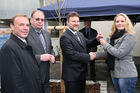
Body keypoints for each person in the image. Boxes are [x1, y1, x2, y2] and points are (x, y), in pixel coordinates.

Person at [60, 11, 102, 93]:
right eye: (73, 21)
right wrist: (88, 57)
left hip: (81, 74)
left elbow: (88, 43)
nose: (76, 23)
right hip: (71, 77)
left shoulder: (79, 34)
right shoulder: (65, 37)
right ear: (68, 22)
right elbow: (72, 55)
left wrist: (97, 39)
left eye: (77, 21)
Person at [95, 13, 138, 93]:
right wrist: (93, 54)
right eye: (117, 21)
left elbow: (119, 53)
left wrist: (105, 44)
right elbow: (108, 52)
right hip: (115, 73)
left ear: (127, 23)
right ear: (115, 23)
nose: (120, 23)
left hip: (126, 74)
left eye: (122, 21)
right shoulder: (113, 37)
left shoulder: (129, 36)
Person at [0, 14, 42, 93]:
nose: (25, 28)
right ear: (12, 26)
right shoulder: (9, 48)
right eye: (21, 25)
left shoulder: (24, 44)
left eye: (27, 25)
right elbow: (13, 83)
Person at [27, 10, 55, 93]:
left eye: (42, 20)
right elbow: (22, 55)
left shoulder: (46, 34)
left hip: (46, 76)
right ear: (31, 20)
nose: (40, 21)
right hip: (32, 77)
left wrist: (52, 55)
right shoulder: (26, 34)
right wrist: (40, 57)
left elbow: (51, 48)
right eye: (37, 19)